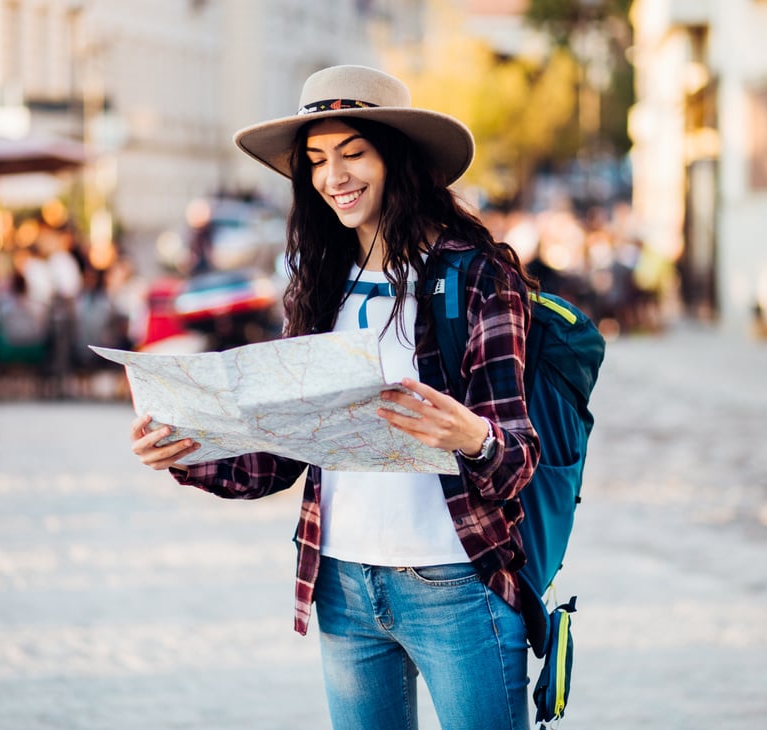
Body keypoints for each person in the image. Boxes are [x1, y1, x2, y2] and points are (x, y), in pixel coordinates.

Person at [130, 65, 539, 730]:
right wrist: (183, 451)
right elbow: (279, 459)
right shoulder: (318, 286)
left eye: (353, 153)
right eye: (317, 160)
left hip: (456, 586)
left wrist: (469, 436)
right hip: (342, 586)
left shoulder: (476, 279)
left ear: (397, 159)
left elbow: (518, 459)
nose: (333, 176)